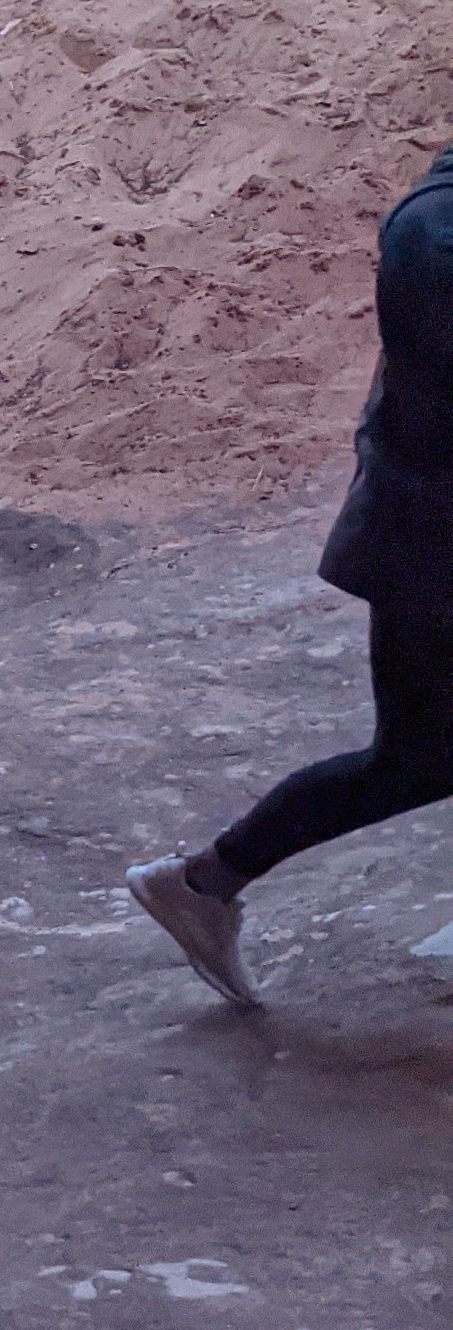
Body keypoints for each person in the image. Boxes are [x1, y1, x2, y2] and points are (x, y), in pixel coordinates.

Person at [132, 144, 453, 1006]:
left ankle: (202, 883)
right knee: (417, 759)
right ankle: (201, 883)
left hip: (420, 526)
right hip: (431, 544)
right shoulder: (436, 237)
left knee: (419, 756)